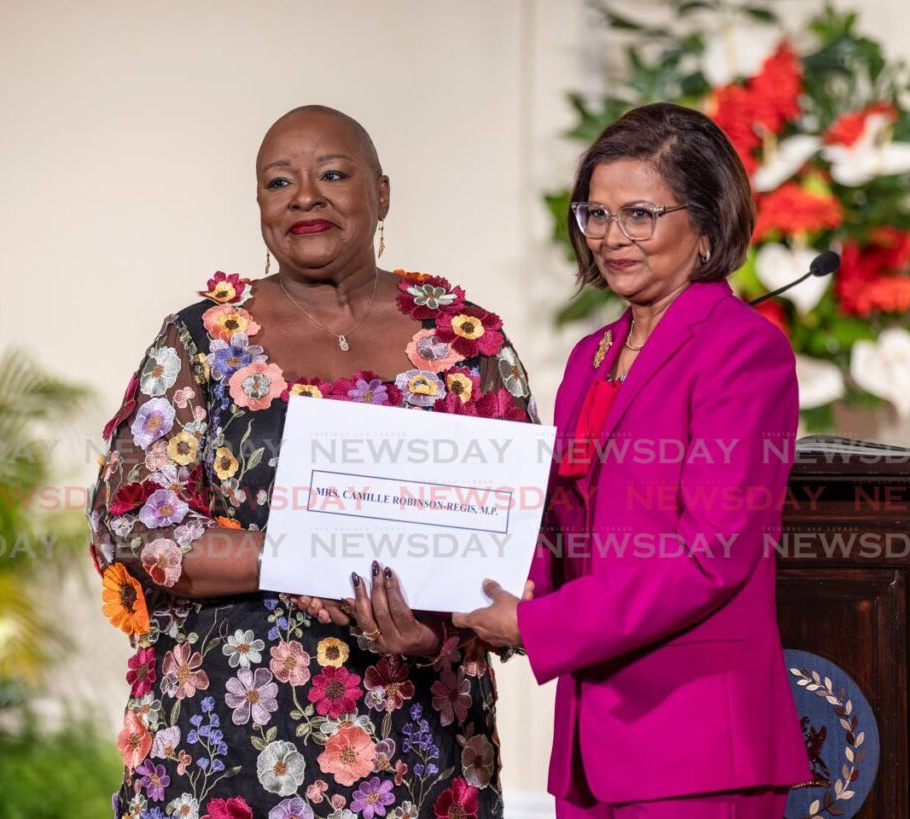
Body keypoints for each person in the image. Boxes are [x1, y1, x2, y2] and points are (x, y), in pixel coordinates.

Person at [88, 104, 538, 819]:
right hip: (226, 738)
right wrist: (303, 548)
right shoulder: (199, 342)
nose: (305, 196)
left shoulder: (466, 345)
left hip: (418, 741)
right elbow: (131, 526)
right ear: (260, 206)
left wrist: (434, 634)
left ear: (382, 193)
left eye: (333, 173)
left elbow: (523, 546)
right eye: (278, 182)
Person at [452, 102, 809, 818]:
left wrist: (536, 625)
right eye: (597, 214)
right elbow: (562, 526)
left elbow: (710, 554)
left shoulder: (743, 350)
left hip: (697, 747)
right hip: (591, 742)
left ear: (705, 225)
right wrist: (476, 589)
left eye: (641, 214)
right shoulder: (592, 357)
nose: (614, 238)